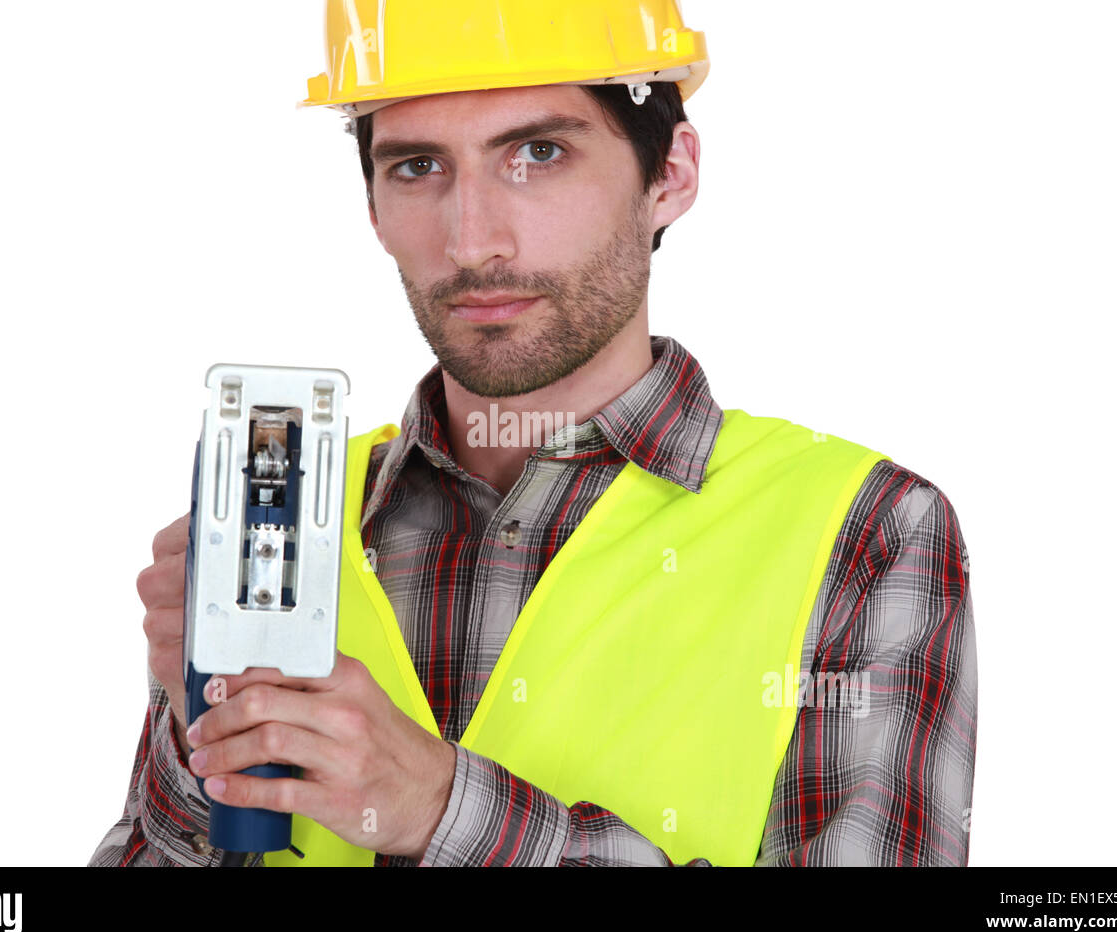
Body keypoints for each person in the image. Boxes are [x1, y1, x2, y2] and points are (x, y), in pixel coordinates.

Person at [91, 0, 976, 867]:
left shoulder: (866, 532)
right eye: (418, 167)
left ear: (670, 174)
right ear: (372, 207)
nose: (473, 243)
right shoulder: (285, 530)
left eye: (538, 153)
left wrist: (441, 810)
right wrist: (199, 753)